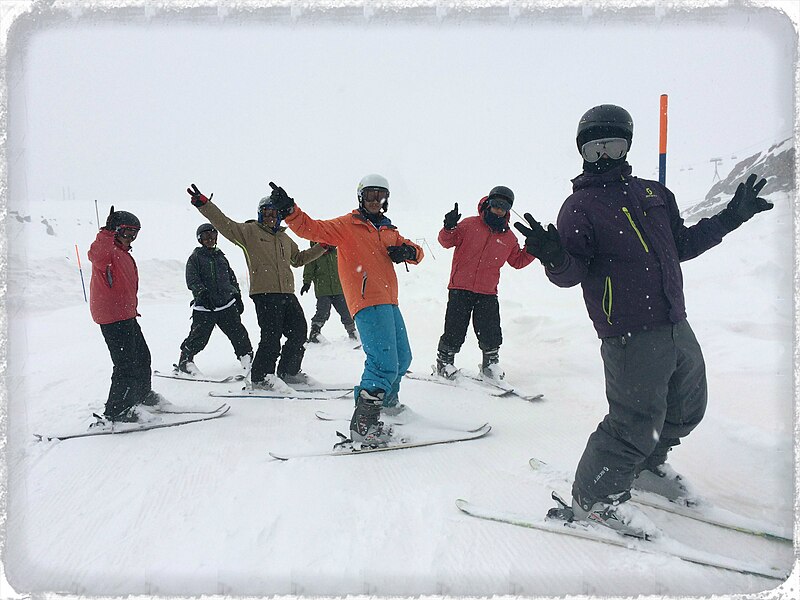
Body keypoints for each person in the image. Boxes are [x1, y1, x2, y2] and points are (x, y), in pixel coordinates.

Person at [514, 104, 773, 538]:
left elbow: (683, 244)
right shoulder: (579, 207)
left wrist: (733, 215)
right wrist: (554, 255)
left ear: (627, 146)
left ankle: (648, 465)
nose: (605, 156)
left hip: (675, 319)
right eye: (595, 148)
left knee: (688, 407)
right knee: (634, 420)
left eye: (613, 145)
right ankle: (593, 499)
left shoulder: (655, 194)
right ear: (582, 153)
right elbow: (571, 273)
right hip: (627, 332)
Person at [267, 174, 424, 447]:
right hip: (366, 300)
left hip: (389, 300)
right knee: (383, 362)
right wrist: (290, 211)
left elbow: (418, 253)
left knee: (403, 358)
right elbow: (311, 229)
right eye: (370, 195)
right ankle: (365, 425)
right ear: (361, 197)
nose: (375, 200)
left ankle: (386, 404)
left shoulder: (388, 230)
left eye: (380, 196)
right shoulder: (346, 226)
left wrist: (408, 252)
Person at [186, 184, 326, 389]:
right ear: (260, 214)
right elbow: (224, 224)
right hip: (265, 294)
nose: (270, 216)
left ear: (279, 216)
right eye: (266, 213)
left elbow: (298, 259)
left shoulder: (284, 238)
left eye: (273, 213)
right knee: (271, 337)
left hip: (287, 292)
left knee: (299, 332)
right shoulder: (249, 232)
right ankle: (261, 377)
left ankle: (289, 371)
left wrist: (322, 248)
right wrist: (204, 204)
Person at [435, 185, 535, 380]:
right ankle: (444, 362)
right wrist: (448, 227)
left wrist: (533, 248)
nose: (498, 209)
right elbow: (446, 242)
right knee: (455, 328)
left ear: (508, 209)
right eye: (496, 204)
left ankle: (491, 364)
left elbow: (517, 261)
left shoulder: (509, 238)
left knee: (490, 330)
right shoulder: (468, 225)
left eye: (504, 206)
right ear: (488, 203)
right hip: (460, 288)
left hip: (488, 291)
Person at [88, 207, 170, 423]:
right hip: (112, 316)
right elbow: (96, 254)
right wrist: (106, 231)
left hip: (126, 314)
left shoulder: (123, 254)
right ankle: (117, 411)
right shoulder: (106, 253)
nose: (131, 237)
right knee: (125, 364)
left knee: (142, 356)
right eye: (126, 232)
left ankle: (142, 395)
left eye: (135, 233)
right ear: (116, 231)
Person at [175, 223, 254, 376]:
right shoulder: (195, 258)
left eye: (212, 235)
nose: (210, 239)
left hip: (226, 304)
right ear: (200, 239)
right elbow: (192, 280)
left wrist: (236, 295)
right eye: (206, 236)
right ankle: (186, 361)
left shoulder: (221, 257)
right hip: (205, 307)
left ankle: (247, 358)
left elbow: (231, 278)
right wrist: (202, 294)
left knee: (238, 334)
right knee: (199, 337)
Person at [301, 241, 358, 343]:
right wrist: (306, 283)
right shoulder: (314, 254)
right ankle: (315, 332)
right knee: (323, 311)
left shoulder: (337, 253)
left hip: (338, 289)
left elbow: (346, 267)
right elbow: (308, 270)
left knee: (345, 311)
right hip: (323, 291)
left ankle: (352, 331)